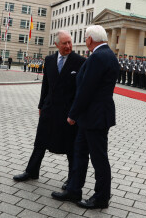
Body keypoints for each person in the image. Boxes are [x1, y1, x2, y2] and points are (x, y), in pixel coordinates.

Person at [52, 25, 120, 209]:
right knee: (80, 153)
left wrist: (73, 114)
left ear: (90, 39)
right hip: (92, 116)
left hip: (94, 117)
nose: (84, 40)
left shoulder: (98, 57)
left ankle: (101, 197)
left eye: (85, 37)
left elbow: (86, 89)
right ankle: (74, 189)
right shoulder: (107, 54)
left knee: (99, 158)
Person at [13, 30, 86, 190]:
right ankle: (31, 171)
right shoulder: (50, 60)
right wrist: (41, 105)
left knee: (70, 146)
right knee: (40, 141)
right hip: (49, 108)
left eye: (69, 42)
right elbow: (45, 85)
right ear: (56, 45)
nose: (68, 46)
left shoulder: (80, 61)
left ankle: (72, 179)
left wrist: (76, 112)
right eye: (64, 43)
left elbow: (81, 90)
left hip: (68, 112)